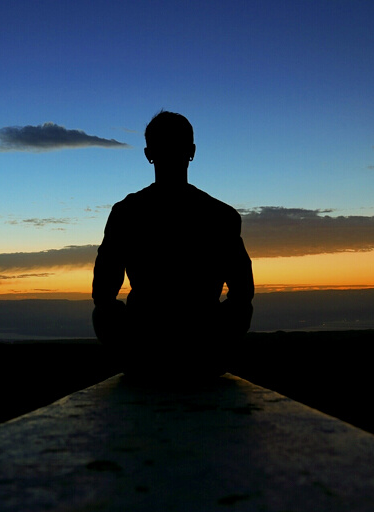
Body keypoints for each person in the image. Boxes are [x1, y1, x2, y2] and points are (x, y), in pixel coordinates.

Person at [92, 111, 254, 378]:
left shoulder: (126, 213)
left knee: (103, 314)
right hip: (205, 350)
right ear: (191, 151)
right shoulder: (221, 215)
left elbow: (103, 295)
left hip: (142, 351)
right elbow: (243, 292)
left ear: (148, 154)